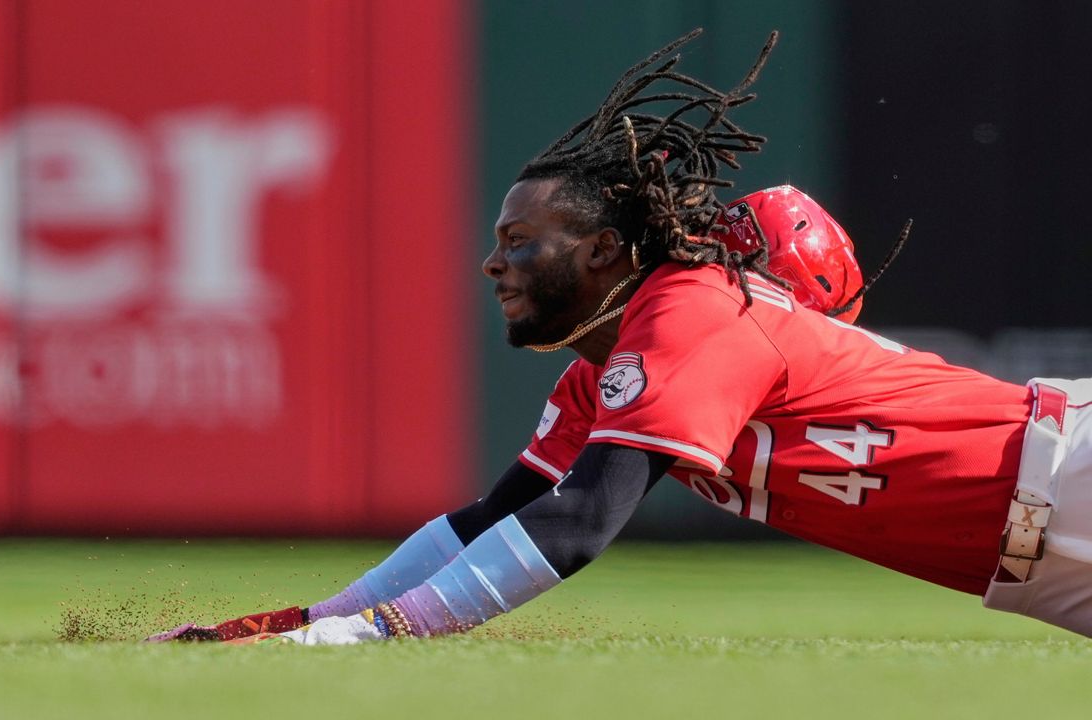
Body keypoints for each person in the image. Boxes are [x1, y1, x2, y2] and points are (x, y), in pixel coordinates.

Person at [148, 28, 1092, 645]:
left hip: (1071, 473)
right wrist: (307, 619)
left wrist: (367, 636)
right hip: (1027, 570)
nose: (493, 264)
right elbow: (496, 519)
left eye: (520, 241)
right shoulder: (613, 363)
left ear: (603, 250)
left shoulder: (697, 309)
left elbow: (577, 526)